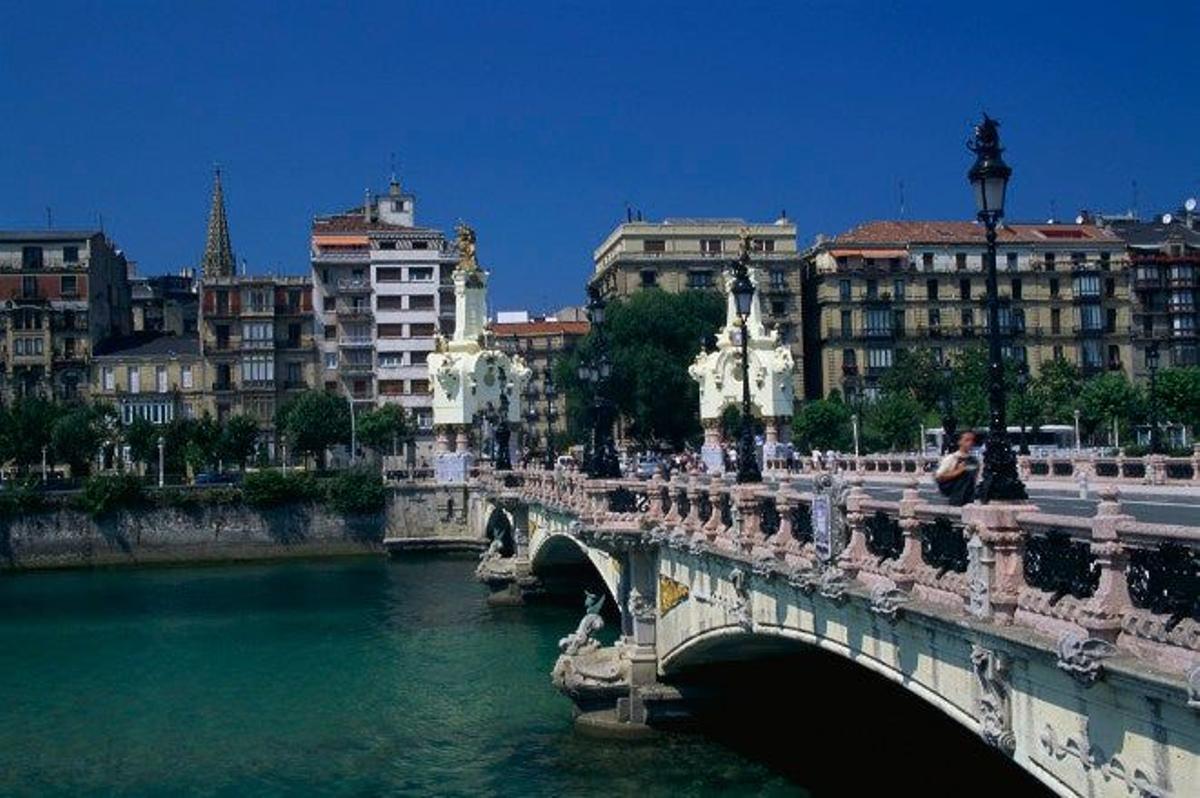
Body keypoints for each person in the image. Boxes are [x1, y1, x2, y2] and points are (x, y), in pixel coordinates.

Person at [935, 431, 979, 506]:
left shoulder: (974, 460)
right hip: (956, 499)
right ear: (959, 442)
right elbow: (939, 477)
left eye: (972, 440)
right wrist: (958, 471)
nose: (970, 443)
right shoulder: (952, 458)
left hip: (970, 499)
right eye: (967, 440)